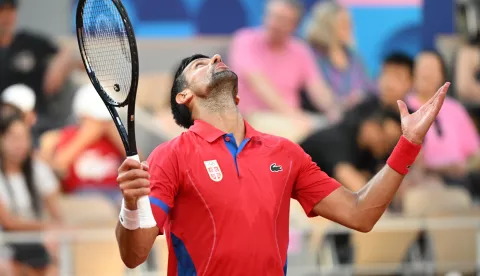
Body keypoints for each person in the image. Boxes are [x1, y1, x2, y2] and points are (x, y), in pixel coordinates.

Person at [115, 53, 449, 275]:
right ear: (184, 97)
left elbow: (360, 214)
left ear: (237, 98)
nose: (216, 58)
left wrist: (409, 144)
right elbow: (135, 255)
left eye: (215, 57)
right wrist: (131, 206)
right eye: (200, 65)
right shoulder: (170, 155)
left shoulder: (284, 153)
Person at [228, 0, 339, 141]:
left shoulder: (300, 50)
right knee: (298, 135)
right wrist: (293, 115)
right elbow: (260, 85)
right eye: (272, 16)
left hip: (293, 117)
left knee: (336, 131)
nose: (274, 23)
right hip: (252, 117)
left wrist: (334, 110)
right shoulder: (245, 40)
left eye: (282, 20)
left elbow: (317, 88)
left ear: (294, 25)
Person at [0, 0, 82, 138]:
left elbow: (65, 53)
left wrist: (58, 68)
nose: (7, 16)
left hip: (38, 121)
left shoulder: (29, 42)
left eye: (11, 10)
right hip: (4, 123)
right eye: (2, 11)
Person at [39, 84, 125, 205]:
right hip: (82, 195)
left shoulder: (115, 140)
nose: (101, 124)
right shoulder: (68, 135)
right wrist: (87, 135)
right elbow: (59, 165)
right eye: (95, 119)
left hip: (115, 193)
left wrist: (118, 135)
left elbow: (139, 163)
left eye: (105, 120)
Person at [407, 51, 480, 191]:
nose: (427, 74)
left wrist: (464, 166)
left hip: (463, 178)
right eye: (422, 69)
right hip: (427, 180)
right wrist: (442, 168)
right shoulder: (405, 108)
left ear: (442, 75)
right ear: (413, 74)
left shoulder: (455, 109)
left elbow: (474, 151)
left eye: (432, 69)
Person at [0, 108, 61, 276]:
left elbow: (56, 214)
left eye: (24, 137)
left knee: (55, 262)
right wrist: (45, 226)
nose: (19, 144)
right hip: (5, 245)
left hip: (37, 243)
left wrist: (52, 232)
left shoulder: (38, 169)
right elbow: (8, 223)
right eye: (13, 138)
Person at [302, 1, 375, 111]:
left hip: (358, 113)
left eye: (349, 23)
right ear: (326, 27)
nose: (349, 28)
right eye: (343, 24)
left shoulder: (353, 55)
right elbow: (316, 94)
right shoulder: (310, 55)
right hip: (325, 115)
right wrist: (344, 102)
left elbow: (370, 86)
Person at [342, 52, 414, 130]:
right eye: (386, 74)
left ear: (411, 82)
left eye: (397, 76)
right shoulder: (362, 108)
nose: (389, 83)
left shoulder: (413, 120)